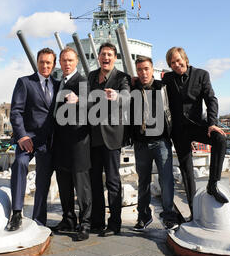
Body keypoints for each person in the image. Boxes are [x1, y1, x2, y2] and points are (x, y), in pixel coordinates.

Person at [162, 47, 228, 222]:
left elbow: (211, 99)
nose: (176, 65)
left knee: (220, 139)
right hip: (178, 131)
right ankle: (193, 211)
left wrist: (212, 123)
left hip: (198, 125)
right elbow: (154, 89)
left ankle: (213, 183)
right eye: (172, 63)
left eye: (178, 60)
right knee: (186, 170)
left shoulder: (201, 74)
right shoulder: (167, 78)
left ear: (185, 58)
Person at [7, 48, 60, 231]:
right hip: (27, 140)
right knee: (19, 165)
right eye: (42, 62)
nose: (45, 65)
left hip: (48, 142)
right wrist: (21, 136)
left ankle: (39, 221)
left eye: (49, 63)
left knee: (43, 182)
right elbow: (16, 112)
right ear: (37, 62)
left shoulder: (58, 85)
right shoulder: (24, 82)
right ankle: (16, 213)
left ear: (54, 65)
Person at [88, 42, 131, 236]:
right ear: (98, 57)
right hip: (92, 137)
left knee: (113, 182)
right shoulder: (91, 76)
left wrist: (117, 97)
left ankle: (114, 224)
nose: (106, 58)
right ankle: (97, 222)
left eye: (110, 55)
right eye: (103, 54)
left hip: (111, 137)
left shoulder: (122, 77)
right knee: (95, 181)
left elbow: (127, 97)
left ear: (115, 58)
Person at [131, 56, 178, 231]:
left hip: (161, 141)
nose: (143, 73)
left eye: (146, 69)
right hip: (141, 143)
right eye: (140, 70)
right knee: (143, 181)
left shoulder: (163, 87)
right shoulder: (132, 88)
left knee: (166, 180)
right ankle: (143, 216)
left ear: (152, 69)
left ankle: (169, 217)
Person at [51, 47, 92, 241]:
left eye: (70, 60)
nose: (67, 63)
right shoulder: (59, 84)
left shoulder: (82, 81)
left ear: (76, 62)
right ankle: (68, 218)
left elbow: (93, 106)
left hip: (78, 143)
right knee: (64, 184)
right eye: (64, 60)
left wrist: (80, 101)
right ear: (60, 62)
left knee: (82, 186)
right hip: (61, 144)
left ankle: (85, 223)